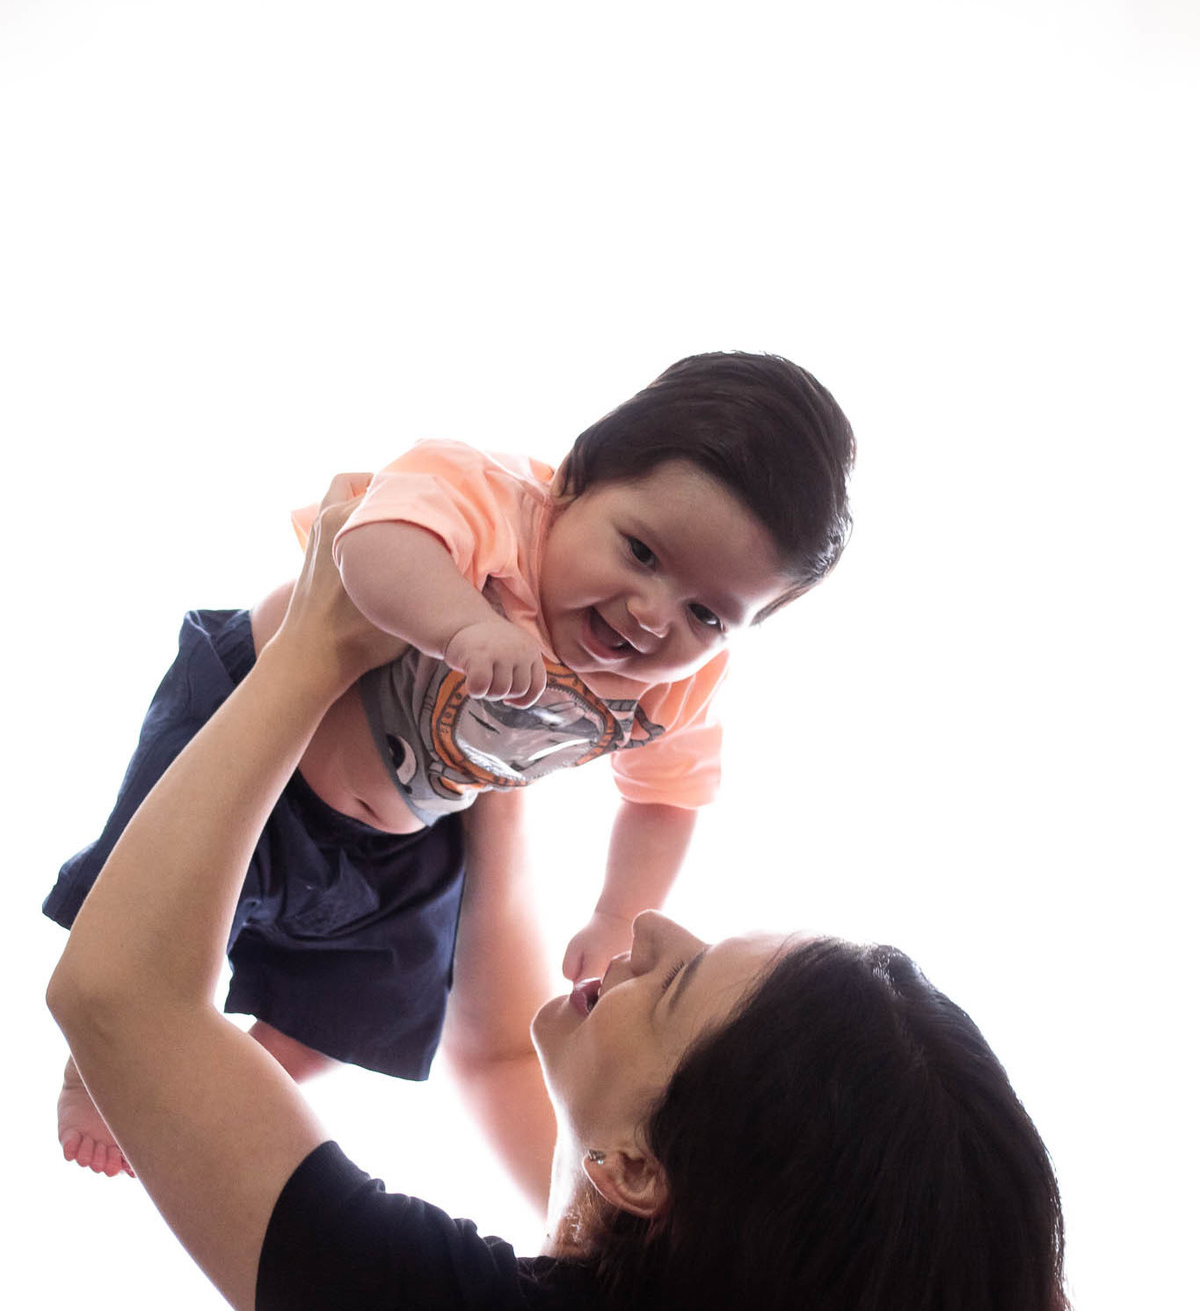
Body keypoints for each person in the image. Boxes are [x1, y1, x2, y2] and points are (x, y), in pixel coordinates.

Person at [46, 486, 1089, 1311]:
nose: (652, 929)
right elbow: (501, 1053)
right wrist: (488, 760)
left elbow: (120, 997)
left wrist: (312, 651)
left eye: (676, 985)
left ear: (638, 1169)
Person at [44, 350, 856, 1198]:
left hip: (406, 834)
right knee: (154, 918)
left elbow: (666, 800)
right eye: (642, 552)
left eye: (707, 614)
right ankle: (94, 1070)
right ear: (576, 480)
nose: (653, 616)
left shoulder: (680, 690)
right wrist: (463, 622)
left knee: (372, 1010)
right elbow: (370, 543)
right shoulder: (493, 502)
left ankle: (225, 1082)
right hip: (254, 740)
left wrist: (618, 913)